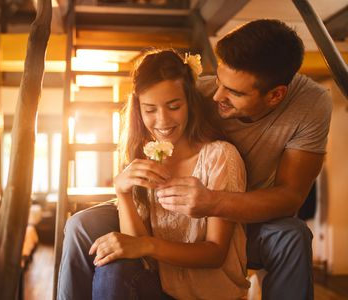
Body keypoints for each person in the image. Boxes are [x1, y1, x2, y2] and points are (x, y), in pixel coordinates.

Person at [57, 19, 332, 300]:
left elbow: (291, 197)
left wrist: (213, 201)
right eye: (219, 81)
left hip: (240, 210)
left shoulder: (309, 105)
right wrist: (124, 192)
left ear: (275, 96)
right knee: (81, 225)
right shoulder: (191, 94)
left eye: (234, 92)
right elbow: (157, 106)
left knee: (293, 234)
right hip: (168, 217)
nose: (216, 95)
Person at [59, 49, 250, 299]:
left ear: (190, 103)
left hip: (208, 293)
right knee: (112, 267)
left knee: (111, 269)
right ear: (138, 110)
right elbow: (133, 249)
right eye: (150, 110)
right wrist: (122, 193)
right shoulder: (143, 158)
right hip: (160, 289)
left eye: (173, 106)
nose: (162, 120)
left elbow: (215, 253)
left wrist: (147, 244)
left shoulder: (220, 156)